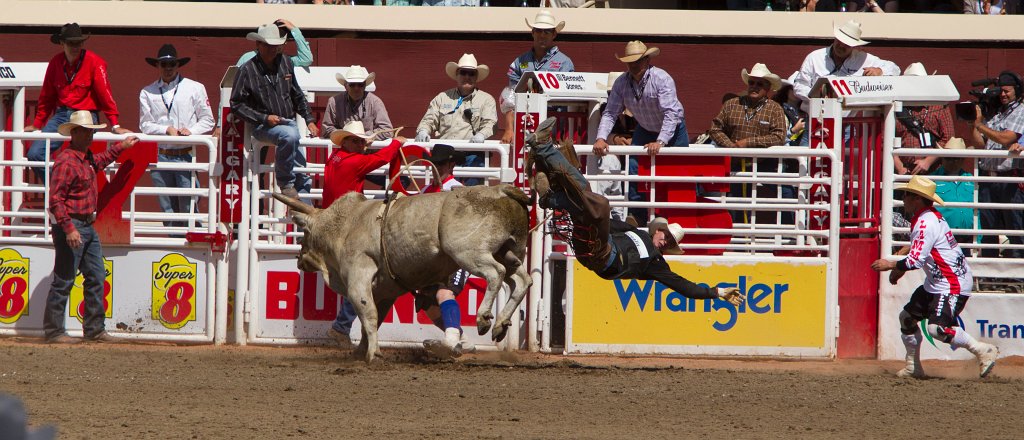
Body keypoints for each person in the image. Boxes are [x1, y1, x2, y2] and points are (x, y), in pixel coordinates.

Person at [529, 117, 745, 306]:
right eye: (667, 236)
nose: (666, 241)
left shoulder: (655, 264)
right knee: (584, 189)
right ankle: (543, 154)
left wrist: (716, 292)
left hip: (605, 257)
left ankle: (553, 190)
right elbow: (610, 225)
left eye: (669, 243)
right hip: (594, 240)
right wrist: (589, 209)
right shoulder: (637, 232)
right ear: (658, 230)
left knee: (600, 204)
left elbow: (685, 287)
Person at [870, 175, 998, 379]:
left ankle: (982, 350)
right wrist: (901, 264)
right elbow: (920, 249)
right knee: (907, 318)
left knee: (937, 329)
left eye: (907, 195)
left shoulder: (925, 222)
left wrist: (891, 264)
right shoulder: (928, 217)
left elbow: (916, 261)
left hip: (950, 283)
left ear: (917, 199)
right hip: (940, 281)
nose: (903, 198)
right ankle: (913, 366)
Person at [45, 111, 139, 344]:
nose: (90, 136)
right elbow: (55, 200)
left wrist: (121, 146)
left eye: (91, 132)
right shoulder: (67, 161)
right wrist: (68, 229)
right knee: (65, 279)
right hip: (75, 224)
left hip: (84, 224)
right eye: (86, 132)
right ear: (74, 133)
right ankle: (56, 331)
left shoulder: (83, 158)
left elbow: (100, 160)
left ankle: (93, 329)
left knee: (95, 275)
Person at [322, 121, 405, 347]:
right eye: (356, 141)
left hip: (333, 224)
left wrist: (362, 144)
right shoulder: (355, 162)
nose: (361, 144)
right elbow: (382, 159)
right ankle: (342, 327)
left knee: (359, 278)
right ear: (347, 142)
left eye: (362, 141)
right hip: (348, 226)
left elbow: (361, 158)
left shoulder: (335, 158)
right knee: (363, 277)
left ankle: (342, 327)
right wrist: (397, 142)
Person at [593, 41, 688, 224]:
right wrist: (601, 138)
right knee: (633, 167)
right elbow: (611, 113)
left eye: (637, 60)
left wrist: (660, 141)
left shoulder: (661, 78)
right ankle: (638, 215)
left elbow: (672, 113)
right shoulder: (622, 82)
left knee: (677, 173)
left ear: (647, 60)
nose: (634, 65)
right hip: (645, 128)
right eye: (630, 61)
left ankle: (677, 216)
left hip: (673, 130)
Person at [25, 23, 131, 180]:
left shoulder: (95, 62)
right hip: (61, 115)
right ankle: (61, 185)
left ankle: (70, 185)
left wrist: (115, 124)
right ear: (62, 43)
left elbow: (105, 94)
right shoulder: (55, 63)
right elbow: (47, 96)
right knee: (34, 154)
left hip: (86, 115)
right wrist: (37, 124)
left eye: (78, 42)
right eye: (71, 43)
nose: (75, 46)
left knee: (79, 156)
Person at [231, 22, 319, 199]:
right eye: (269, 45)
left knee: (302, 172)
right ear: (258, 45)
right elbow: (236, 104)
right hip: (262, 126)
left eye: (276, 45)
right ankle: (285, 182)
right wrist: (264, 118)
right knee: (290, 137)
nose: (273, 49)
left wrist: (309, 119)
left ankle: (304, 216)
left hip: (287, 122)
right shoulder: (247, 69)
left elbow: (296, 94)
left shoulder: (285, 62)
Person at [139, 44, 215, 229]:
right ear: (158, 66)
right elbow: (144, 125)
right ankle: (173, 243)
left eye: (171, 63)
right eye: (164, 64)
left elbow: (208, 120)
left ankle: (191, 245)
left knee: (189, 205)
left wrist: (192, 131)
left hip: (186, 154)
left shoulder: (195, 88)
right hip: (161, 156)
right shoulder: (147, 92)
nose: (168, 68)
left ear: (178, 65)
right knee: (167, 209)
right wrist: (166, 130)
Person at [707, 63, 789, 224]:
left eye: (760, 84)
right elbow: (715, 128)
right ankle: (731, 239)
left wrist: (748, 143)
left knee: (786, 193)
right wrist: (731, 147)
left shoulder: (775, 109)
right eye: (752, 82)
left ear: (768, 88)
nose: (754, 87)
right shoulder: (732, 104)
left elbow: (779, 136)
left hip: (765, 164)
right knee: (730, 201)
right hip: (735, 164)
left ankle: (791, 235)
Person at [418, 144, 476, 357]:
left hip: (454, 255)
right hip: (432, 257)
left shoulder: (457, 190)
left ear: (451, 165)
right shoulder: (425, 191)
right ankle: (461, 340)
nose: (436, 167)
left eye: (440, 163)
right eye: (433, 163)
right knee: (427, 304)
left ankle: (451, 341)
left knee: (444, 293)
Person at [416, 53, 498, 186]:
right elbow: (429, 119)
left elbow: (490, 123)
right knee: (441, 195)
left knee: (471, 196)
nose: (467, 77)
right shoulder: (442, 97)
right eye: (463, 72)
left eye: (471, 73)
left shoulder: (486, 100)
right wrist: (423, 131)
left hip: (471, 155)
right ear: (457, 75)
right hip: (444, 157)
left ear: (476, 77)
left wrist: (482, 134)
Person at [967, 70, 1024, 258]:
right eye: (1000, 91)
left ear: (1016, 90)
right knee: (989, 227)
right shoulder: (997, 113)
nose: (1002, 94)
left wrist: (981, 126)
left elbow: (1006, 138)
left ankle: (1017, 278)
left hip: (1009, 179)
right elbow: (979, 143)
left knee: (1015, 226)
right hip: (988, 177)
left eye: (1007, 91)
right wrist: (975, 123)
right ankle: (990, 275)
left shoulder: (1021, 110)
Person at [500, 10, 575, 145]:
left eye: (547, 31)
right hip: (524, 130)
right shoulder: (519, 62)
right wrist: (509, 129)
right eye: (539, 30)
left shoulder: (565, 63)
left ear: (554, 34)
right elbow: (510, 97)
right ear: (532, 32)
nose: (542, 35)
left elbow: (566, 101)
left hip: (554, 133)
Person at [792, 20, 900, 113]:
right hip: (814, 117)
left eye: (847, 44)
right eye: (839, 41)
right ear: (835, 38)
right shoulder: (814, 57)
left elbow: (895, 69)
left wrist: (879, 70)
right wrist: (816, 97)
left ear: (854, 46)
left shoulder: (864, 59)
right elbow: (799, 85)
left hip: (846, 123)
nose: (841, 45)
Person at [894, 62, 955, 175]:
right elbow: (885, 140)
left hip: (935, 170)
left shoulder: (940, 106)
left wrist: (928, 161)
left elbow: (948, 138)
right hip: (903, 171)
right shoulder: (895, 107)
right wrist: (899, 167)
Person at [321, 65, 392, 141]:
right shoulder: (334, 102)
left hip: (369, 150)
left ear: (365, 86)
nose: (356, 88)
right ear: (346, 86)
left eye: (360, 84)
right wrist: (345, 136)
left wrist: (366, 136)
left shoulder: (375, 102)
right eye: (352, 84)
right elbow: (326, 129)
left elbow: (387, 131)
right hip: (345, 149)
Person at [929, 137, 975, 246]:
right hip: (941, 237)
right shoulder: (932, 179)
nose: (951, 161)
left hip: (967, 238)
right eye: (948, 158)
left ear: (962, 160)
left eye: (955, 158)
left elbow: (977, 210)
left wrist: (978, 239)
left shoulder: (971, 180)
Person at [235, 19, 312, 69]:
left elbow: (306, 59)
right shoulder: (247, 58)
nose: (276, 46)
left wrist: (295, 30)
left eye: (280, 42)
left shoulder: (285, 60)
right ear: (259, 43)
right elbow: (233, 83)